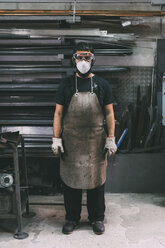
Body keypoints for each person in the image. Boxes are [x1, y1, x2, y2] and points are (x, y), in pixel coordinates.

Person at [52, 42, 117, 235]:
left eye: (86, 57)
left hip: (95, 142)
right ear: (74, 60)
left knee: (96, 182)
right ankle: (72, 218)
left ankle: (96, 218)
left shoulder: (102, 85)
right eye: (79, 57)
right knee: (71, 182)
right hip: (72, 142)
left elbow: (109, 114)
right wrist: (56, 138)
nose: (83, 61)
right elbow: (58, 114)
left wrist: (111, 137)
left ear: (93, 59)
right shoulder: (65, 84)